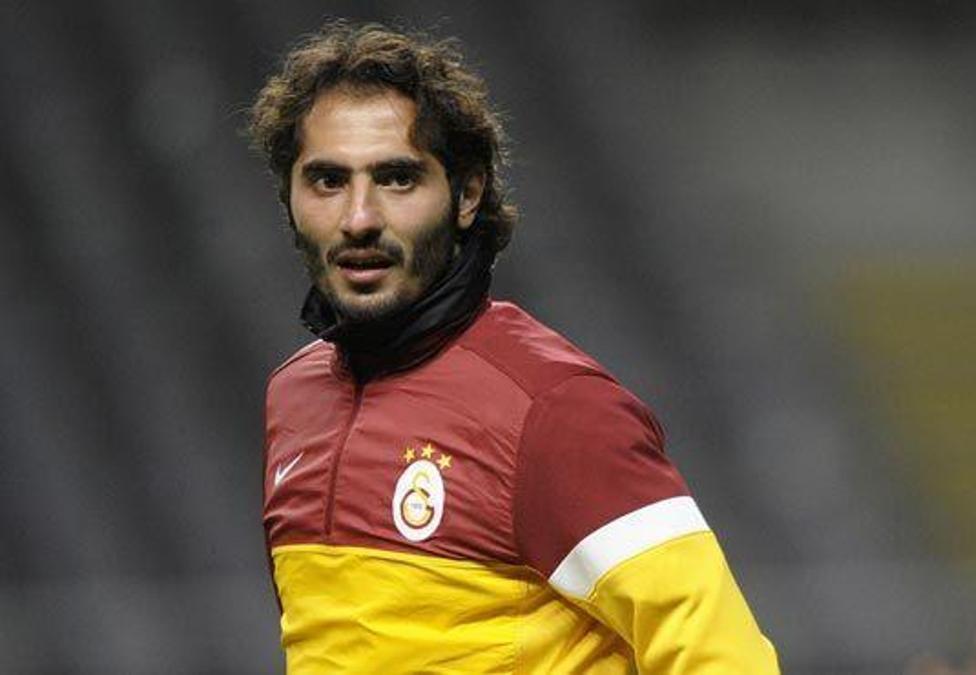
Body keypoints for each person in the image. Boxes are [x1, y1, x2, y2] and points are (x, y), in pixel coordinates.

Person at [247, 19, 778, 674]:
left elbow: (726, 659)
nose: (358, 218)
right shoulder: (294, 397)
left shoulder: (555, 409)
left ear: (467, 194)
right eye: (328, 181)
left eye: (398, 178)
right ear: (289, 196)